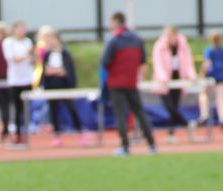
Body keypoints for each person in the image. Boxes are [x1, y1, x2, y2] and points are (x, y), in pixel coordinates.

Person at [102, 11, 156, 156]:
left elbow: (105, 62)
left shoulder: (114, 40)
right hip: (132, 83)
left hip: (116, 84)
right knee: (140, 113)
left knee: (120, 115)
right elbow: (143, 62)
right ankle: (152, 145)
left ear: (115, 22)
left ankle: (125, 147)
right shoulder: (137, 39)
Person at [40, 29, 92, 146]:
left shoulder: (65, 54)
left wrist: (56, 71)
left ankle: (80, 133)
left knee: (72, 109)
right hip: (51, 87)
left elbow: (66, 71)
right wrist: (56, 71)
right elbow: (46, 72)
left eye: (53, 39)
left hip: (64, 87)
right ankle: (57, 136)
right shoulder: (47, 55)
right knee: (53, 112)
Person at [152, 26, 197, 143]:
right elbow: (158, 64)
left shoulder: (182, 46)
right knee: (170, 107)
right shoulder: (159, 46)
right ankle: (186, 123)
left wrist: (192, 76)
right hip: (164, 83)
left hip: (178, 80)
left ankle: (171, 134)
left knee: (175, 106)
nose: (170, 38)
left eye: (172, 35)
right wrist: (163, 78)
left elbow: (188, 62)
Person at [1, 20, 35, 144]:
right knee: (16, 108)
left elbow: (30, 60)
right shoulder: (8, 42)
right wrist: (27, 53)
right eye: (20, 28)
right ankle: (17, 134)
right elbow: (14, 59)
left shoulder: (27, 41)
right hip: (15, 80)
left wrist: (32, 57)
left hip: (27, 79)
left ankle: (27, 131)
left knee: (27, 108)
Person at [198, 30, 223, 131]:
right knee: (221, 99)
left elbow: (207, 63)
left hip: (211, 76)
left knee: (203, 93)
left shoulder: (209, 51)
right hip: (222, 76)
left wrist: (202, 75)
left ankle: (204, 114)